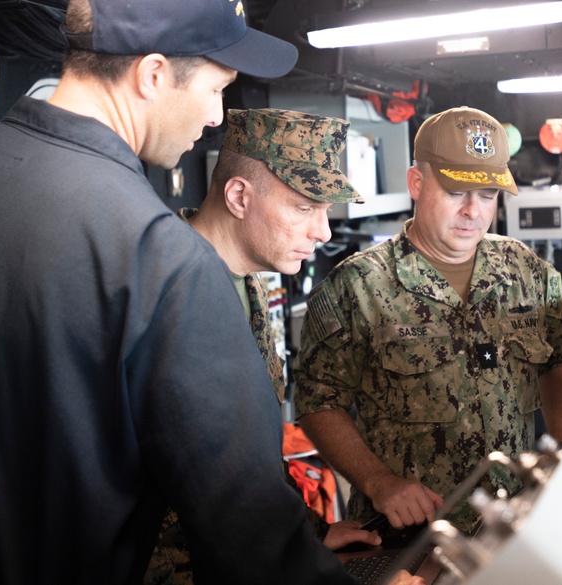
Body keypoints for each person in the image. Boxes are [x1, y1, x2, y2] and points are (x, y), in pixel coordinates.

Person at [0, 0, 423, 585]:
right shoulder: (156, 254)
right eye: (218, 87)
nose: (217, 116)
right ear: (153, 74)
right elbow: (246, 530)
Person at [292, 106, 562, 534]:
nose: (473, 211)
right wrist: (379, 482)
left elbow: (561, 358)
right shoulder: (358, 286)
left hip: (513, 525)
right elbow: (318, 403)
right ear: (416, 183)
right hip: (408, 536)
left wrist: (561, 450)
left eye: (487, 195)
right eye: (455, 192)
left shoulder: (526, 271)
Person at [145, 107, 386, 584]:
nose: (324, 231)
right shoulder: (162, 290)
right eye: (304, 207)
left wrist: (306, 533)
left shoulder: (248, 282)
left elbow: (249, 459)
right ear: (238, 196)